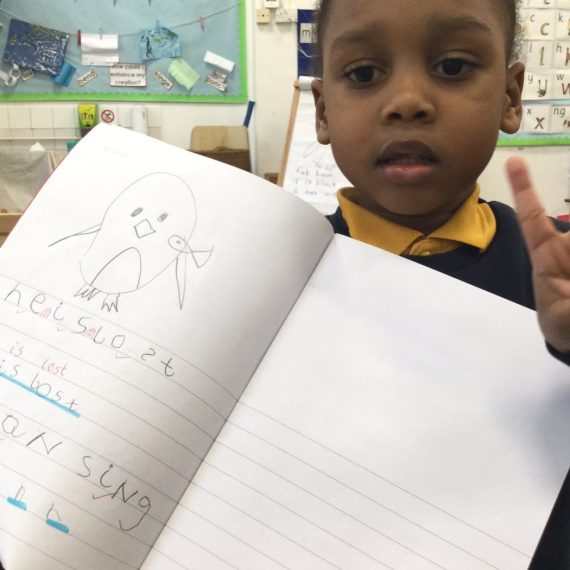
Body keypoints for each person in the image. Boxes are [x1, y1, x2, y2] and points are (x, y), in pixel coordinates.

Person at [311, 0, 570, 566]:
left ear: (510, 97)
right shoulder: (282, 271)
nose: (407, 101)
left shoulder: (556, 276)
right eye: (364, 73)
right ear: (323, 110)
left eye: (452, 66)